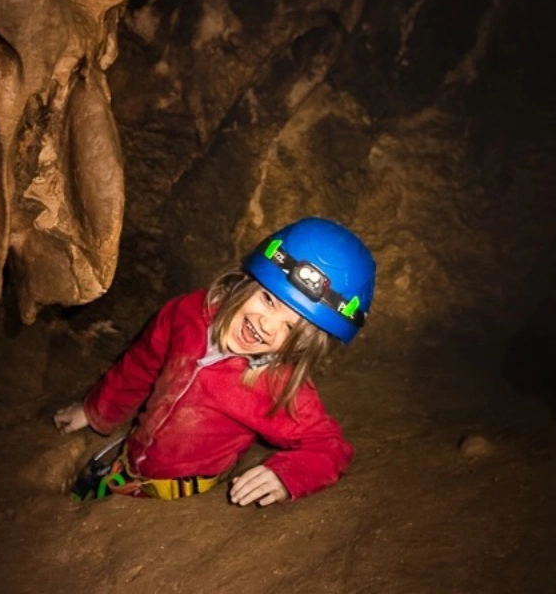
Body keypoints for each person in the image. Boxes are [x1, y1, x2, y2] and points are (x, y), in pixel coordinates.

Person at [54, 217, 376, 506]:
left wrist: (286, 475)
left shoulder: (278, 387)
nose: (267, 325)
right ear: (249, 281)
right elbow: (142, 362)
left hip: (181, 499)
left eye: (291, 329)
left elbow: (329, 446)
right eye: (268, 299)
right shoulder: (189, 313)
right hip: (132, 457)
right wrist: (97, 410)